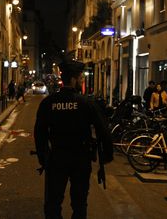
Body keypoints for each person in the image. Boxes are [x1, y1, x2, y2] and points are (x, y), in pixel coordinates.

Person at [34, 60, 113, 219]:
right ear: (74, 79)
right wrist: (107, 156)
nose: (83, 81)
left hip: (57, 158)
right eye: (81, 78)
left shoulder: (48, 103)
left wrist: (43, 158)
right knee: (79, 203)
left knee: (53, 202)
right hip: (81, 159)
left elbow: (39, 132)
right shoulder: (86, 103)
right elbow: (103, 130)